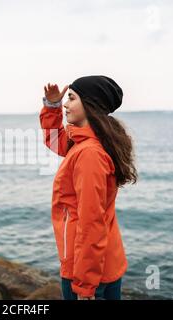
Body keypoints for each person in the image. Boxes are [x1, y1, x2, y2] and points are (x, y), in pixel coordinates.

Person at [39, 75, 138, 300]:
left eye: (71, 98)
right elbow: (56, 141)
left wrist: (85, 286)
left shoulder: (89, 154)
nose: (65, 103)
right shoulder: (87, 141)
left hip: (86, 271)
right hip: (102, 264)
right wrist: (51, 107)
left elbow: (90, 223)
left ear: (90, 104)